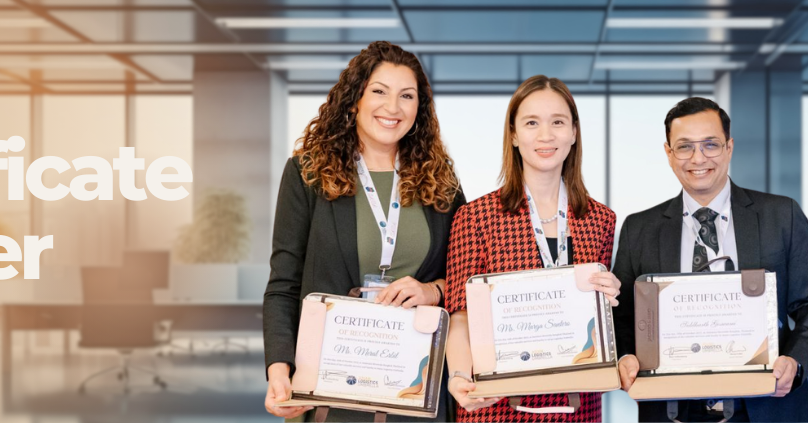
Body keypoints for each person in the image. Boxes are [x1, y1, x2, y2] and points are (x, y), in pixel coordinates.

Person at [262, 40, 464, 421]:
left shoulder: (441, 182)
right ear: (355, 99)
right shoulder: (307, 175)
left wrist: (431, 290)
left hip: (415, 392)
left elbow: (463, 276)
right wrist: (278, 370)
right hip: (330, 391)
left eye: (407, 96)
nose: (393, 107)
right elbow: (283, 285)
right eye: (379, 92)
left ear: (419, 108)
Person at [610, 97, 808, 422]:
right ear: (668, 154)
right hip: (673, 409)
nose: (698, 158)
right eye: (684, 147)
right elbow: (623, 318)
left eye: (710, 145)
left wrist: (795, 360)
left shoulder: (781, 215)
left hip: (766, 405)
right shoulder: (639, 229)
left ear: (729, 147)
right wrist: (626, 356)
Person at [442, 75, 623, 422]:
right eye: (531, 123)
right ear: (513, 134)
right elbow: (461, 315)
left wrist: (610, 300)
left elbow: (599, 325)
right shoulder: (476, 217)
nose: (545, 135)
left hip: (578, 407)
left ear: (573, 132)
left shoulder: (601, 220)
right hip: (496, 407)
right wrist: (460, 376)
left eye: (557, 122)